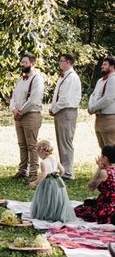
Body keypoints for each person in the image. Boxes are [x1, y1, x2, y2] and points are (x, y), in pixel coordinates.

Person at [9, 52, 45, 183]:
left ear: (32, 63)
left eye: (25, 62)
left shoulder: (37, 79)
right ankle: (22, 170)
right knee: (22, 145)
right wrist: (13, 109)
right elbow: (13, 96)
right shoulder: (21, 79)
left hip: (31, 115)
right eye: (22, 62)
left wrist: (21, 111)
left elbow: (33, 100)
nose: (22, 64)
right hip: (18, 116)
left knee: (32, 145)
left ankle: (33, 173)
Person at [49, 53, 82, 181]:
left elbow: (65, 98)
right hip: (60, 111)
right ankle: (64, 169)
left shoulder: (72, 77)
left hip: (67, 111)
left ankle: (68, 171)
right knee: (61, 141)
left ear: (68, 62)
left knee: (66, 141)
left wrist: (54, 109)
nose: (59, 63)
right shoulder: (64, 77)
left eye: (61, 61)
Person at [29, 140, 76, 222]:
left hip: (48, 183)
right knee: (57, 198)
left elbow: (44, 174)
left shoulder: (43, 162)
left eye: (38, 153)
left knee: (46, 198)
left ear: (42, 151)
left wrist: (35, 182)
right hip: (57, 181)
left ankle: (47, 213)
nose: (38, 155)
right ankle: (57, 213)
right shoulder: (55, 158)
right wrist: (58, 177)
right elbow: (62, 171)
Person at [75, 146, 115, 224]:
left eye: (101, 155)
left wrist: (99, 169)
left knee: (79, 210)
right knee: (88, 203)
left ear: (105, 158)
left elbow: (91, 187)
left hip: (106, 206)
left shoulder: (104, 172)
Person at [88, 56, 115, 148]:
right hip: (99, 119)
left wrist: (93, 108)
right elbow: (93, 95)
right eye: (102, 64)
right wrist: (90, 107)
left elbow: (107, 98)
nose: (102, 66)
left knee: (111, 149)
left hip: (109, 119)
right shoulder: (100, 80)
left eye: (105, 64)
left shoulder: (113, 79)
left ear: (112, 66)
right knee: (103, 149)